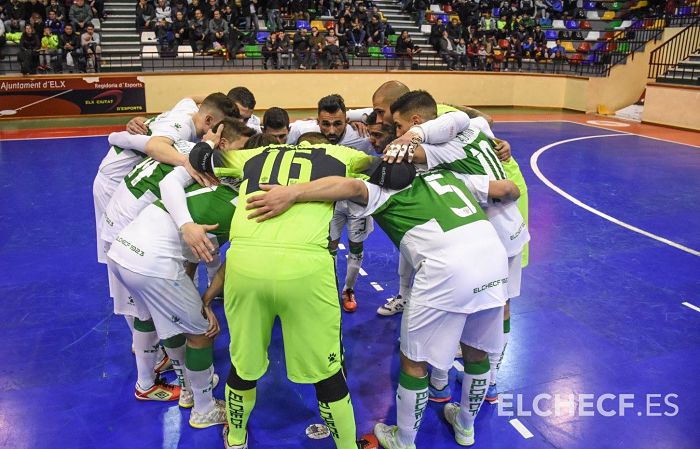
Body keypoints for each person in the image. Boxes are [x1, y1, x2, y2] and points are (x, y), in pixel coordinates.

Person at [243, 158, 517, 449]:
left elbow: (347, 186)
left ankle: (403, 439)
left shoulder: (382, 191)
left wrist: (293, 192)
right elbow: (510, 189)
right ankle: (465, 427)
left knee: (414, 361)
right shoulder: (448, 176)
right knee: (477, 351)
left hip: (446, 270)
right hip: (494, 259)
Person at [186, 134, 401, 449]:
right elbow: (397, 175)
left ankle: (235, 438)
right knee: (328, 371)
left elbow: (200, 159)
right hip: (305, 267)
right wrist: (402, 148)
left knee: (243, 364)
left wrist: (208, 139)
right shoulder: (343, 154)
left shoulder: (254, 154)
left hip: (246, 263)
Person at [385, 91, 529, 410]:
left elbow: (408, 156)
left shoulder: (440, 149)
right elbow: (478, 117)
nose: (396, 133)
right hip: (513, 228)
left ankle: (439, 385)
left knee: (463, 312)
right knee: (500, 307)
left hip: (485, 230)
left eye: (397, 125)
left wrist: (405, 141)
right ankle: (489, 381)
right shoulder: (477, 127)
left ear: (417, 122)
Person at [108, 119, 251, 426]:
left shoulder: (200, 175)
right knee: (201, 333)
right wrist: (207, 300)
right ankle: (203, 408)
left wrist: (193, 296)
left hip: (123, 251)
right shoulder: (246, 208)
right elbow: (232, 262)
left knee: (158, 318)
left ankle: (179, 388)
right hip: (154, 264)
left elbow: (189, 255)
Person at [287, 95, 374, 312]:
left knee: (356, 246)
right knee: (329, 247)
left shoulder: (361, 137)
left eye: (338, 123)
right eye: (325, 124)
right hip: (328, 203)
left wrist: (357, 117)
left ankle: (348, 289)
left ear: (346, 119)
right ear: (317, 121)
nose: (332, 131)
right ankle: (329, 287)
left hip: (357, 204)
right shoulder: (302, 132)